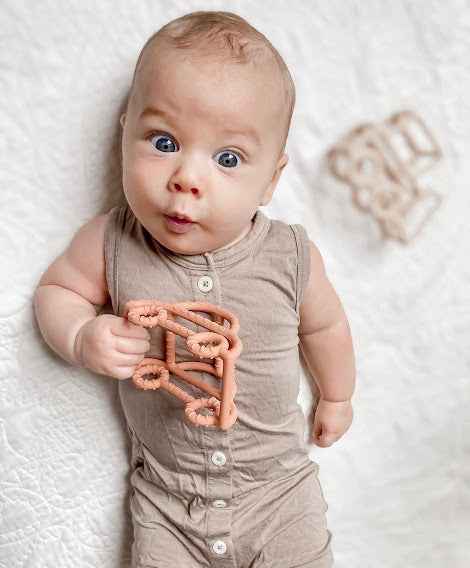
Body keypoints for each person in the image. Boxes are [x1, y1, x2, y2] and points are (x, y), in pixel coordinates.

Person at [34, 11, 355, 568]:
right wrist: (81, 334)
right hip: (168, 503)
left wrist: (337, 394)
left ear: (271, 180)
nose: (186, 176)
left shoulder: (290, 255)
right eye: (162, 141)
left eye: (227, 159)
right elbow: (56, 290)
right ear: (124, 131)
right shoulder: (112, 241)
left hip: (278, 496)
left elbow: (325, 325)